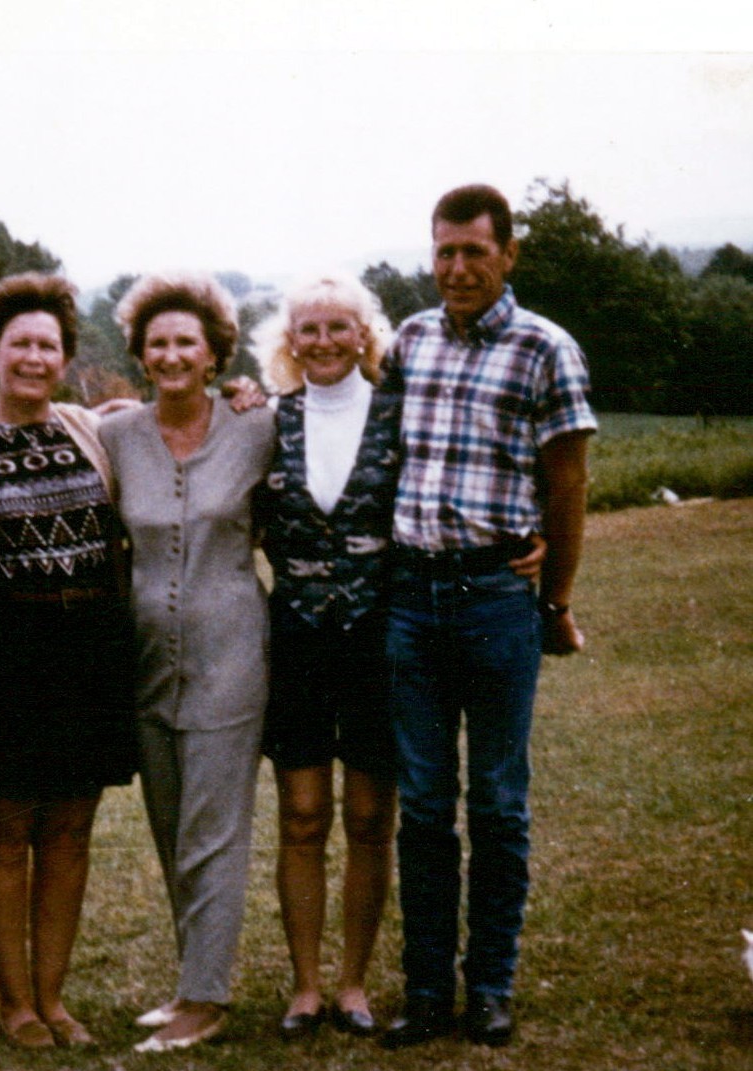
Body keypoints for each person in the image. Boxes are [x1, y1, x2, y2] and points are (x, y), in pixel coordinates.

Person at [380, 184, 597, 1051]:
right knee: (424, 805)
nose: (459, 267)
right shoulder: (409, 340)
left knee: (499, 803)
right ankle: (427, 989)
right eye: (445, 251)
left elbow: (569, 482)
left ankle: (492, 987)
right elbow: (366, 438)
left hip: (496, 599)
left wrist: (557, 599)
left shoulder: (546, 348)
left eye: (475, 251)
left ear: (509, 253)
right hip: (411, 597)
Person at [0, 272, 136, 1050]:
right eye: (18, 343)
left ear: (64, 358)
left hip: (87, 654)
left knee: (69, 830)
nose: (32, 357)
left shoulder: (90, 429)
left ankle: (54, 997)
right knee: (3, 832)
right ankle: (15, 1002)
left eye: (47, 345)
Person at [99, 274, 276, 1053]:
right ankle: (190, 981)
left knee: (213, 829)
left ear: (213, 354)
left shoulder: (257, 425)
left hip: (230, 649)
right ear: (141, 355)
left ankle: (206, 999)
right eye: (157, 343)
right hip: (144, 658)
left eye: (186, 342)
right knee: (171, 826)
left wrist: (257, 391)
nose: (171, 354)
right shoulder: (114, 434)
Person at [253, 274, 401, 1040]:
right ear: (291, 340)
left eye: (338, 326)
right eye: (308, 328)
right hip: (299, 641)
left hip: (381, 641)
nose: (323, 341)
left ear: (362, 333)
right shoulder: (266, 419)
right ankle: (307, 985)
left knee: (371, 817)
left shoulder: (398, 413)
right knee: (303, 815)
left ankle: (354, 982)